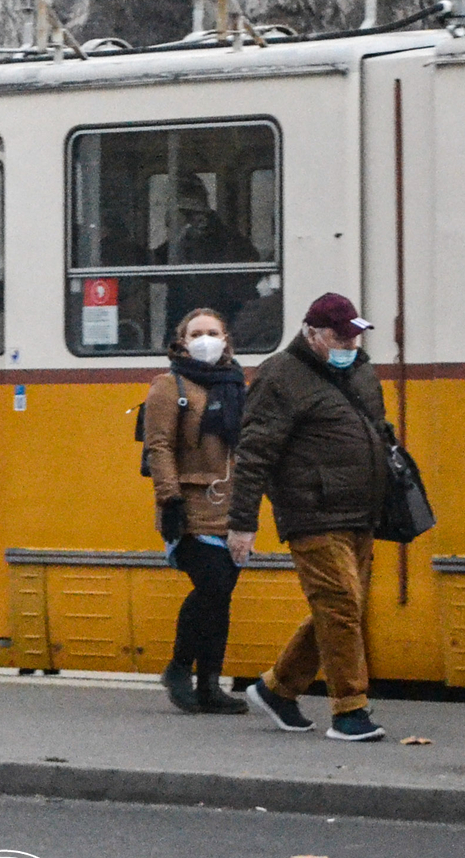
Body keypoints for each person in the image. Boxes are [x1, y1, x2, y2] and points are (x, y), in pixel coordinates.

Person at [225, 292, 395, 741]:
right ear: (312, 333)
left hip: (361, 511)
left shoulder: (358, 369)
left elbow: (376, 428)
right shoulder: (280, 376)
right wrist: (242, 523)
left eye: (355, 338)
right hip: (312, 511)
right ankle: (349, 710)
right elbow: (255, 453)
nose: (350, 347)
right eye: (340, 338)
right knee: (339, 607)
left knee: (343, 607)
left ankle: (278, 689)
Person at [143, 308, 246, 714]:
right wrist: (169, 500)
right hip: (188, 506)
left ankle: (209, 685)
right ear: (182, 341)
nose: (206, 339)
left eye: (213, 332)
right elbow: (159, 447)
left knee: (221, 596)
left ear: (226, 339)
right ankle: (179, 668)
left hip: (231, 508)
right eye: (197, 333)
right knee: (213, 585)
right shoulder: (169, 386)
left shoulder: (237, 384)